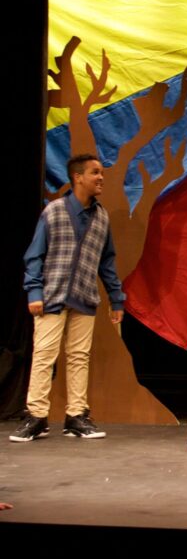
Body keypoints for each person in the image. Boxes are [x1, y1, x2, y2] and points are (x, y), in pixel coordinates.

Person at [10, 153, 125, 442]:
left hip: (84, 296)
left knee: (78, 358)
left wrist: (116, 299)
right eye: (95, 173)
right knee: (44, 356)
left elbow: (107, 263)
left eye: (101, 173)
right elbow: (34, 256)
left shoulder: (101, 217)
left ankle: (76, 416)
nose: (101, 178)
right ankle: (36, 417)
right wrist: (34, 291)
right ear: (78, 177)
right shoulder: (54, 211)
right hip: (52, 295)